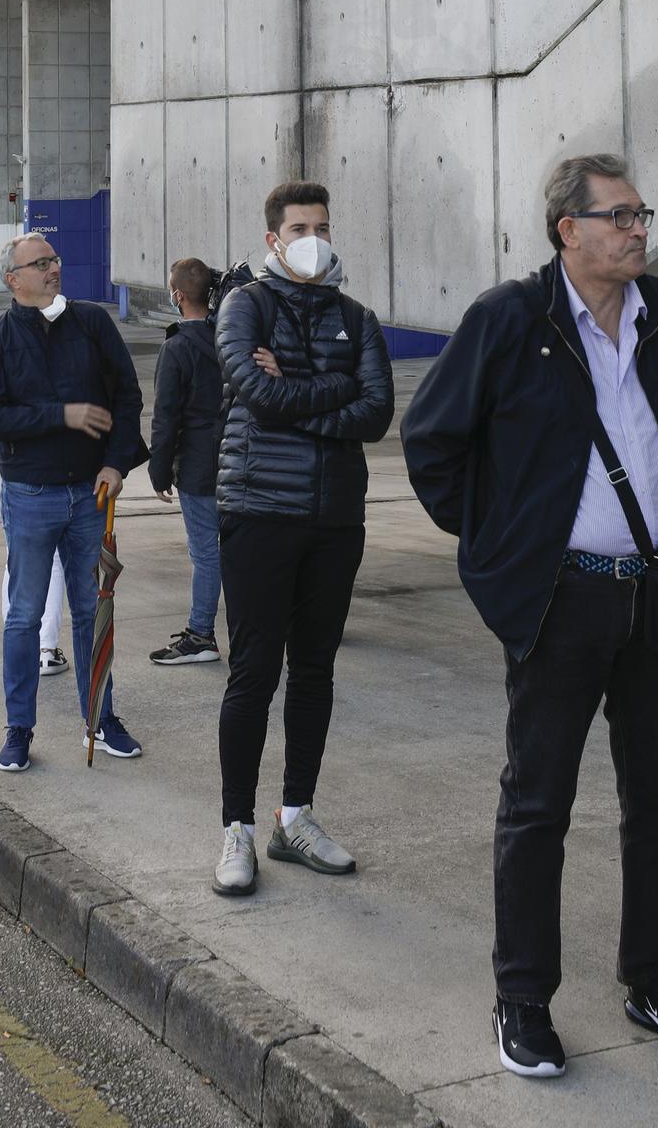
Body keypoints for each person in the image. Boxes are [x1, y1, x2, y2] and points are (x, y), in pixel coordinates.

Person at [400, 154, 658, 1079]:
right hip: (561, 598)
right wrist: (504, 550)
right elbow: (431, 443)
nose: (638, 228)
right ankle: (522, 997)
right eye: (619, 214)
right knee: (538, 802)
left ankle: (652, 977)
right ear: (568, 231)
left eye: (640, 212)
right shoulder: (510, 320)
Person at [211, 180, 393, 899]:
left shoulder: (357, 315)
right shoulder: (243, 305)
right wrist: (332, 390)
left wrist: (298, 387)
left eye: (320, 223)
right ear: (272, 240)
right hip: (257, 509)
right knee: (252, 673)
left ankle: (294, 816)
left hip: (333, 517)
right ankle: (236, 829)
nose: (311, 236)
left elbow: (376, 412)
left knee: (313, 671)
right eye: (297, 226)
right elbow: (255, 393)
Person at [0, 233, 145, 774]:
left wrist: (116, 463)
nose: (53, 269)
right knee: (23, 617)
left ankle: (101, 716)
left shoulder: (92, 323)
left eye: (55, 259)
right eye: (40, 263)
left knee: (93, 610)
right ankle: (19, 728)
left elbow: (127, 397)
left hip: (91, 494)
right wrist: (60, 414)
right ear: (13, 277)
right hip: (29, 496)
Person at [147, 257, 226, 665]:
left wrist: (159, 471)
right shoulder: (233, 338)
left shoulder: (177, 348)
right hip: (241, 462)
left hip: (198, 468)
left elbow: (166, 418)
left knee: (205, 555)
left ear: (177, 295)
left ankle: (200, 635)